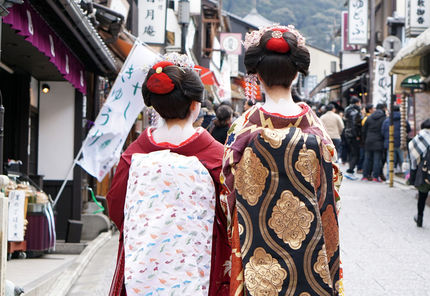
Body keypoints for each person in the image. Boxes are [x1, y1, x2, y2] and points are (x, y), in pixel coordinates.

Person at [221, 25, 343, 295]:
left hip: (254, 250)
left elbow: (227, 194)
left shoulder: (242, 129)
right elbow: (331, 196)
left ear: (257, 76)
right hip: (310, 253)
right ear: (297, 73)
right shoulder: (317, 130)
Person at [107, 59, 230, 296]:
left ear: (155, 106)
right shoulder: (216, 156)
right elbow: (232, 213)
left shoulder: (135, 155)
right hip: (201, 265)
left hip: (142, 268)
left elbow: (115, 207)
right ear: (195, 105)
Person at [381, 105, 411, 176]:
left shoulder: (387, 120)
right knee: (404, 161)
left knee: (390, 161)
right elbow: (408, 129)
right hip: (401, 143)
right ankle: (407, 177)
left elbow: (382, 132)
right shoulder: (403, 120)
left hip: (390, 144)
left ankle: (389, 177)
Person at [361, 103, 386, 182]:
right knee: (377, 160)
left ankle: (365, 175)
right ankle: (375, 176)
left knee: (367, 159)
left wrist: (365, 140)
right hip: (379, 141)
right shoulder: (384, 118)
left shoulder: (369, 118)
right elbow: (384, 131)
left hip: (369, 140)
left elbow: (363, 131)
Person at [343, 97, 363, 180]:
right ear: (357, 103)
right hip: (353, 135)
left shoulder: (348, 110)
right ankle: (350, 171)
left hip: (348, 134)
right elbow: (354, 124)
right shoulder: (354, 112)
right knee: (355, 154)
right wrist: (357, 135)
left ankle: (350, 171)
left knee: (352, 153)